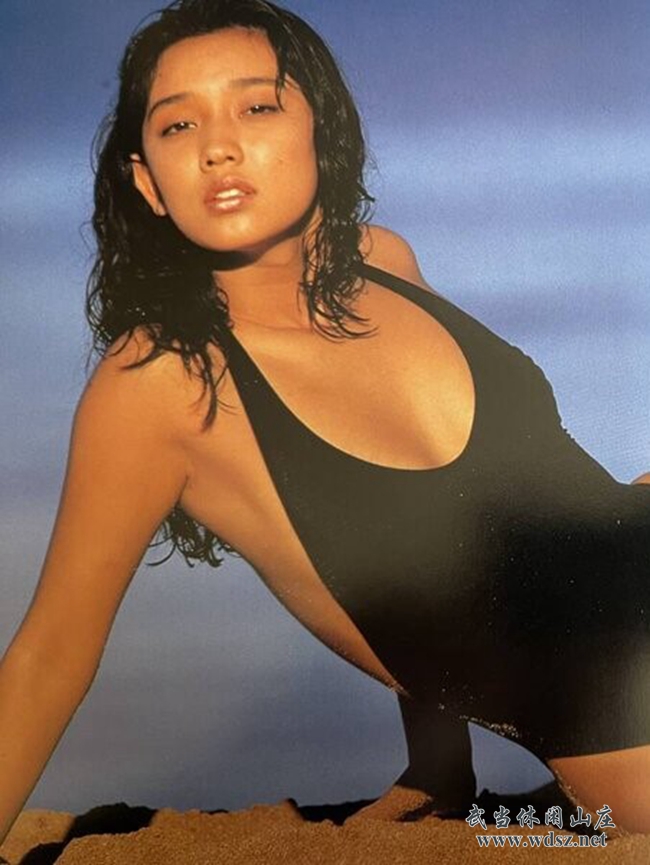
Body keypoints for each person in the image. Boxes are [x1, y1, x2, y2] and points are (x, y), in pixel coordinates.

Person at [1, 0, 649, 845]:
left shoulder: (384, 260)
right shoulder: (163, 383)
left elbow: (456, 528)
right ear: (147, 181)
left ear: (322, 130)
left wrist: (439, 767)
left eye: (256, 105)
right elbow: (50, 656)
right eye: (178, 123)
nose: (218, 145)